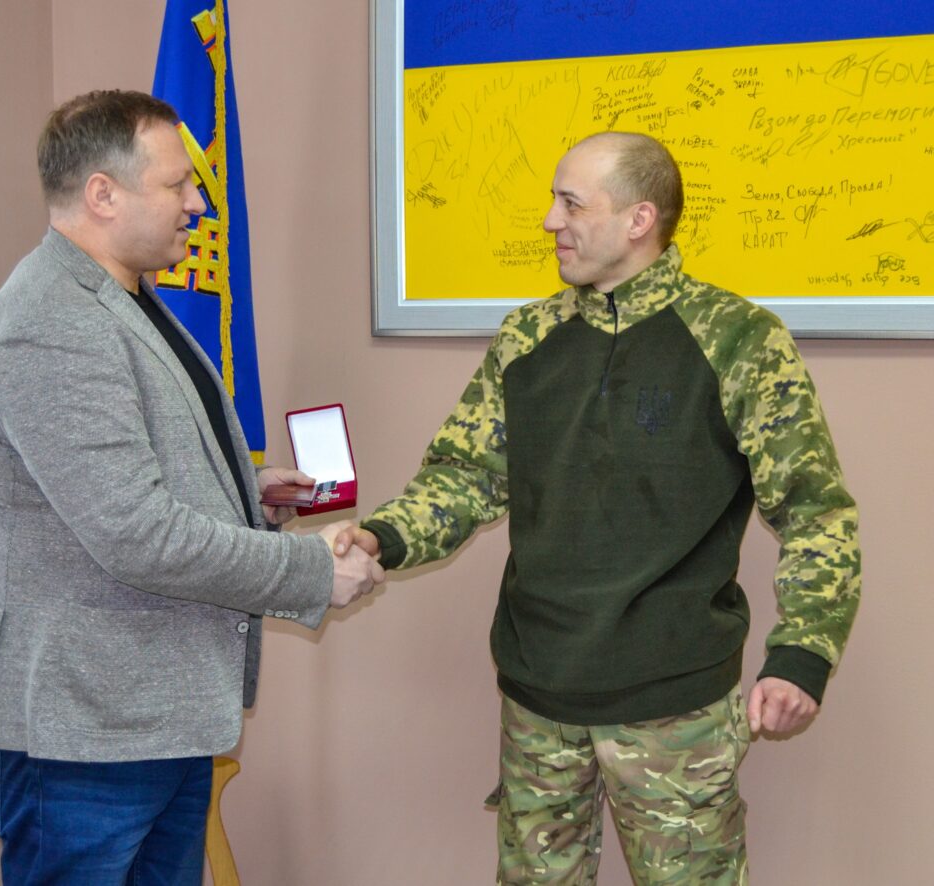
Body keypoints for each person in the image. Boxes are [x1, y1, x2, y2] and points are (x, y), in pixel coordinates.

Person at [336, 131, 860, 884]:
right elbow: (466, 475)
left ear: (639, 219)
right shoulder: (528, 335)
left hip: (675, 707)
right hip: (538, 697)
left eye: (572, 203)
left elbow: (816, 511)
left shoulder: (740, 340)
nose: (551, 220)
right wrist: (383, 537)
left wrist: (803, 655)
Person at [0, 89, 383, 885]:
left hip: (152, 719)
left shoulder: (126, 299)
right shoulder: (51, 321)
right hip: (85, 735)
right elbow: (134, 533)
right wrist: (311, 571)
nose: (197, 203)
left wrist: (245, 490)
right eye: (177, 184)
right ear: (102, 194)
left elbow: (126, 477)